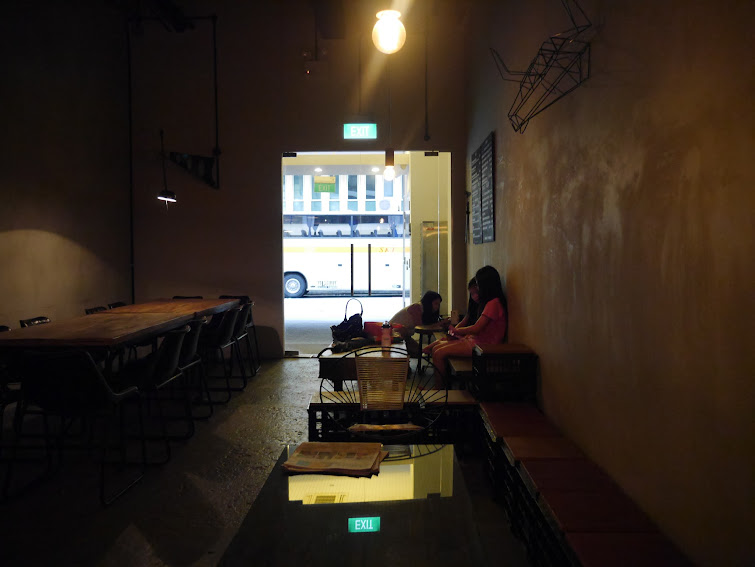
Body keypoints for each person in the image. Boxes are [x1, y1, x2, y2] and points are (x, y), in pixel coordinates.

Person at [426, 266, 507, 386]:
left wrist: (457, 330)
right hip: (478, 343)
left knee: (438, 353)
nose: (477, 289)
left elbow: (476, 328)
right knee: (436, 349)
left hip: (482, 347)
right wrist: (457, 331)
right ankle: (442, 386)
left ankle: (439, 388)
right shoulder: (492, 302)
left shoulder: (493, 304)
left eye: (478, 285)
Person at [422, 278, 479, 353]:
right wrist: (454, 332)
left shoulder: (488, 306)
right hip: (469, 337)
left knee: (438, 350)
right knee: (438, 345)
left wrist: (456, 331)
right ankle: (425, 351)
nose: (474, 296)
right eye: (472, 294)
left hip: (475, 340)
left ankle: (425, 351)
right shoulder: (473, 307)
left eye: (476, 292)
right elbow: (466, 320)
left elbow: (476, 328)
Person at [389, 291, 442, 356]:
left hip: (402, 334)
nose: (437, 307)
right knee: (418, 352)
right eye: (436, 304)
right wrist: (442, 323)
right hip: (394, 333)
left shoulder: (421, 309)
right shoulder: (417, 307)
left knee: (419, 352)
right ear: (429, 302)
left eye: (438, 304)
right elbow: (421, 327)